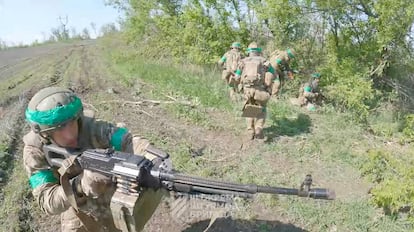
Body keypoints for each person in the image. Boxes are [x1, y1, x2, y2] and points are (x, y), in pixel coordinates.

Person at [23, 87, 169, 232]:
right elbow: (46, 201)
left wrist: (152, 158)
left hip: (108, 195)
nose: (69, 135)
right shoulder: (35, 153)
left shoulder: (94, 128)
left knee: (125, 222)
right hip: (76, 208)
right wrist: (80, 185)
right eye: (59, 129)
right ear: (44, 134)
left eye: (72, 122)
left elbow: (128, 140)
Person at [234, 42, 274, 140]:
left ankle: (250, 129)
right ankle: (258, 127)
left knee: (249, 108)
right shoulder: (264, 61)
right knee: (262, 108)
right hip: (260, 90)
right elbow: (273, 73)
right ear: (258, 51)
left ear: (249, 52)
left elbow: (237, 77)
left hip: (247, 89)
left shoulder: (243, 61)